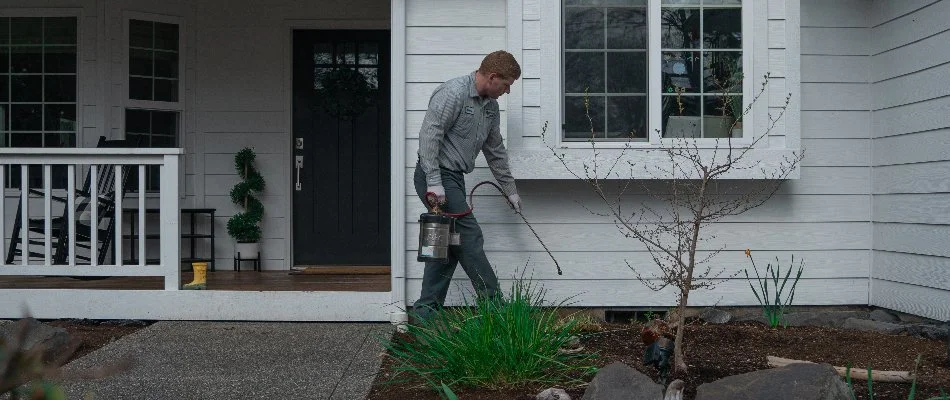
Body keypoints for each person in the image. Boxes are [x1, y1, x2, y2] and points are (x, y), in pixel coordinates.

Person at [413, 50, 523, 321]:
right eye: (507, 84)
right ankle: (495, 308)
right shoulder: (452, 93)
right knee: (470, 237)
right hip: (436, 176)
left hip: (455, 179)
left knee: (448, 247)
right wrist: (434, 182)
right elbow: (429, 137)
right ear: (493, 77)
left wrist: (510, 190)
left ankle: (426, 312)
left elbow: (495, 150)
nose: (508, 91)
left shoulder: (490, 108)